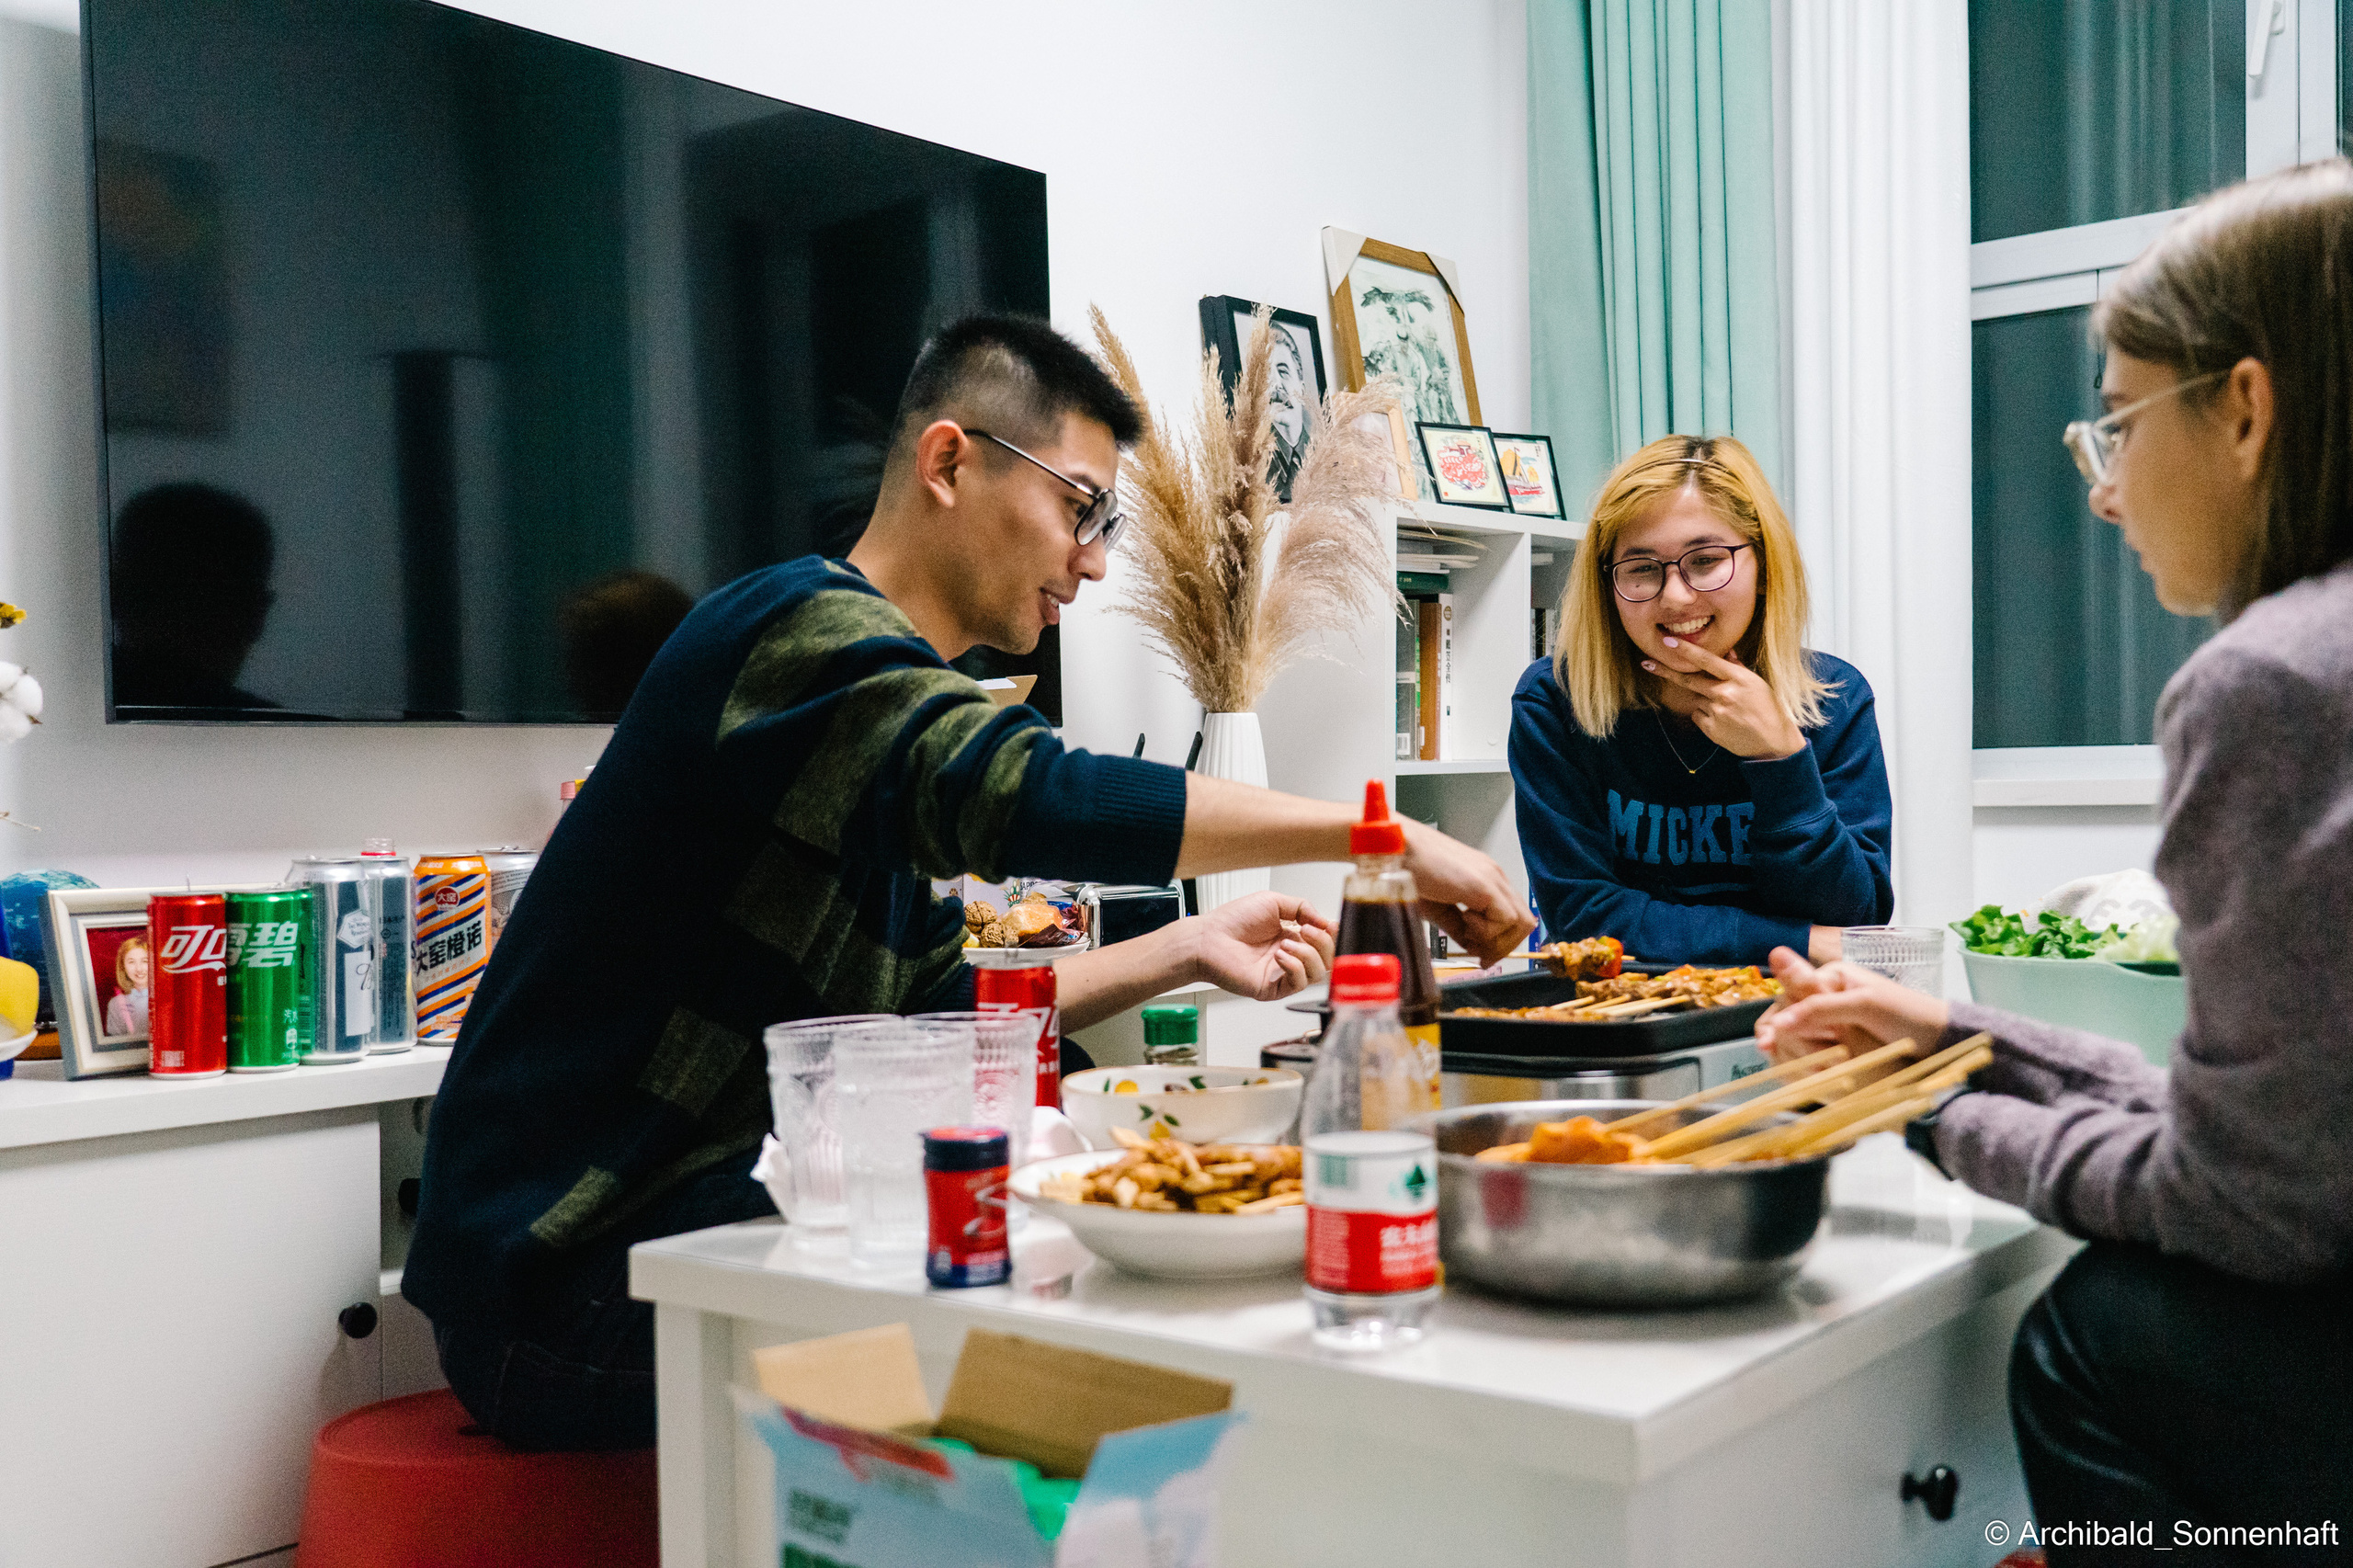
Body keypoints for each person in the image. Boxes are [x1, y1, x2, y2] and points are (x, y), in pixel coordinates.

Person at [405, 313, 1532, 1452]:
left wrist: (1189, 948)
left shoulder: (876, 709)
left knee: (1078, 1272)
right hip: (568, 1272)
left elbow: (941, 1007)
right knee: (1051, 1338)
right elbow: (1027, 791)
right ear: (950, 461)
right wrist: (1376, 837)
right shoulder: (793, 634)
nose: (1091, 560)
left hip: (691, 1223)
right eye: (1080, 508)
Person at [1756, 162, 2353, 1562]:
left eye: (2122, 424)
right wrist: (1960, 1038)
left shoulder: (2272, 683)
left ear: (2249, 410)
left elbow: (2246, 1204)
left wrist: (1920, 1106)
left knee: (2090, 1333)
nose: (2104, 489)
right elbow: (2284, 1135)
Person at [1510, 436, 1892, 966]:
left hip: (1796, 1011)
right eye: (1642, 568)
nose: (1676, 597)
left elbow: (1855, 920)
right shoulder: (1554, 703)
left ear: (1764, 565)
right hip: (1617, 1018)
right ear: (1607, 585)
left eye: (1706, 560)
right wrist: (1795, 940)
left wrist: (1781, 758)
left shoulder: (1835, 699)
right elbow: (1585, 917)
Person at [104, 935, 149, 1038]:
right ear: (123, 966)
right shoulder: (116, 1004)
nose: (139, 969)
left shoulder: (168, 999)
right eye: (131, 962)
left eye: (145, 961)